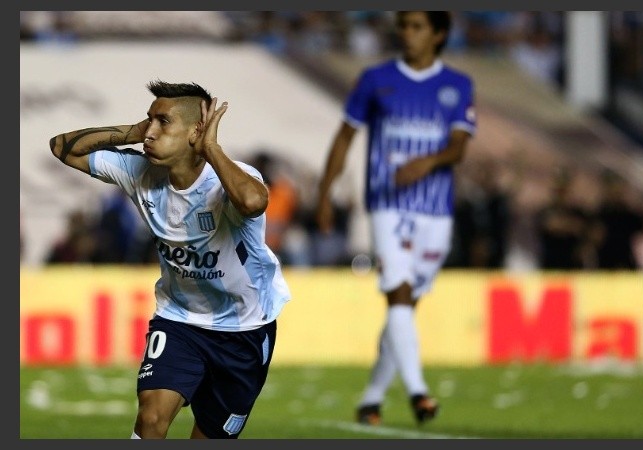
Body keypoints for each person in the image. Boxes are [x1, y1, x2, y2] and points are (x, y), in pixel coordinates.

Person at [48, 80, 291, 439]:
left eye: (163, 122)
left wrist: (212, 149)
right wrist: (132, 131)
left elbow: (254, 202)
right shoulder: (139, 172)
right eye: (150, 120)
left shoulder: (230, 180)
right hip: (178, 320)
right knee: (150, 419)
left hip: (244, 330)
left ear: (196, 132)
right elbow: (61, 148)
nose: (151, 131)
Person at [315, 11, 476, 426]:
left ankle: (371, 399)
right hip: (387, 205)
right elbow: (345, 134)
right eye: (403, 25)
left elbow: (458, 148)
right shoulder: (374, 80)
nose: (407, 33)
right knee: (399, 295)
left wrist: (427, 163)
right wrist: (325, 193)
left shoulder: (457, 85)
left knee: (403, 309)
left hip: (436, 211)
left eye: (417, 26)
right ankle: (420, 392)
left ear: (439, 34)